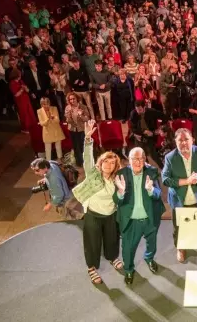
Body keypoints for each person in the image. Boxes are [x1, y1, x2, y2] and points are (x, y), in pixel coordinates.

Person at [71, 120, 123, 284]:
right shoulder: (93, 174)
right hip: (93, 215)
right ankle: (92, 267)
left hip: (110, 215)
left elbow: (121, 198)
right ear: (101, 163)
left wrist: (122, 191)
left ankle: (112, 257)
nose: (109, 164)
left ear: (116, 165)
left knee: (112, 239)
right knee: (92, 241)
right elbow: (87, 159)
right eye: (106, 161)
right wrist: (87, 139)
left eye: (112, 162)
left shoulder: (117, 179)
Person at [161, 128, 197, 263]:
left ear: (192, 140)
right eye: (180, 140)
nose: (184, 143)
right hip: (179, 200)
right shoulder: (170, 157)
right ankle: (181, 248)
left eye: (186, 139)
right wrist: (185, 181)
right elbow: (165, 179)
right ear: (175, 142)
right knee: (179, 227)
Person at [113, 147, 164, 285]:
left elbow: (159, 195)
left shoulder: (152, 172)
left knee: (151, 244)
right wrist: (121, 192)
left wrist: (151, 189)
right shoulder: (121, 174)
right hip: (131, 221)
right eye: (135, 159)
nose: (139, 162)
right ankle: (129, 269)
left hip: (150, 218)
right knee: (128, 249)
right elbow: (116, 200)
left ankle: (149, 258)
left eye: (142, 158)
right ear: (129, 160)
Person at [128, 100, 166, 166]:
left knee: (153, 155)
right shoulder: (133, 113)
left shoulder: (151, 112)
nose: (138, 111)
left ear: (144, 107)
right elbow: (132, 128)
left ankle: (163, 168)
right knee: (141, 155)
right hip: (139, 135)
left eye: (140, 109)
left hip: (150, 136)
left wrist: (160, 128)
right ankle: (146, 169)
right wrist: (143, 131)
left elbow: (164, 117)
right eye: (137, 109)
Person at [64, 92, 90, 166]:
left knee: (83, 146)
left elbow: (87, 119)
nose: (72, 101)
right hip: (72, 130)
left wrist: (81, 115)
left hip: (81, 129)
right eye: (70, 99)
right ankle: (79, 162)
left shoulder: (83, 107)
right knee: (76, 147)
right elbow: (68, 121)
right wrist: (68, 116)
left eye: (73, 99)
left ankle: (86, 162)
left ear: (77, 99)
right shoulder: (67, 108)